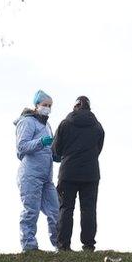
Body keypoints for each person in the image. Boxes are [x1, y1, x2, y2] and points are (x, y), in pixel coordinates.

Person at [52, 95, 104, 251]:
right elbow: (98, 149)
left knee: (66, 208)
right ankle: (88, 245)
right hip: (91, 173)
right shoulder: (97, 126)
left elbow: (56, 150)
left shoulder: (65, 124)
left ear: (74, 106)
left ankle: (63, 245)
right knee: (89, 209)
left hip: (68, 172)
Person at [15, 89, 60, 252]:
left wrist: (55, 155)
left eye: (50, 105)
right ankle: (29, 245)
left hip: (47, 176)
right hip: (30, 174)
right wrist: (41, 142)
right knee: (31, 211)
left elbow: (49, 147)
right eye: (44, 105)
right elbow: (21, 147)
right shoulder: (27, 122)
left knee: (55, 210)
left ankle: (59, 244)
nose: (47, 108)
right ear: (36, 105)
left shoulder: (47, 125)